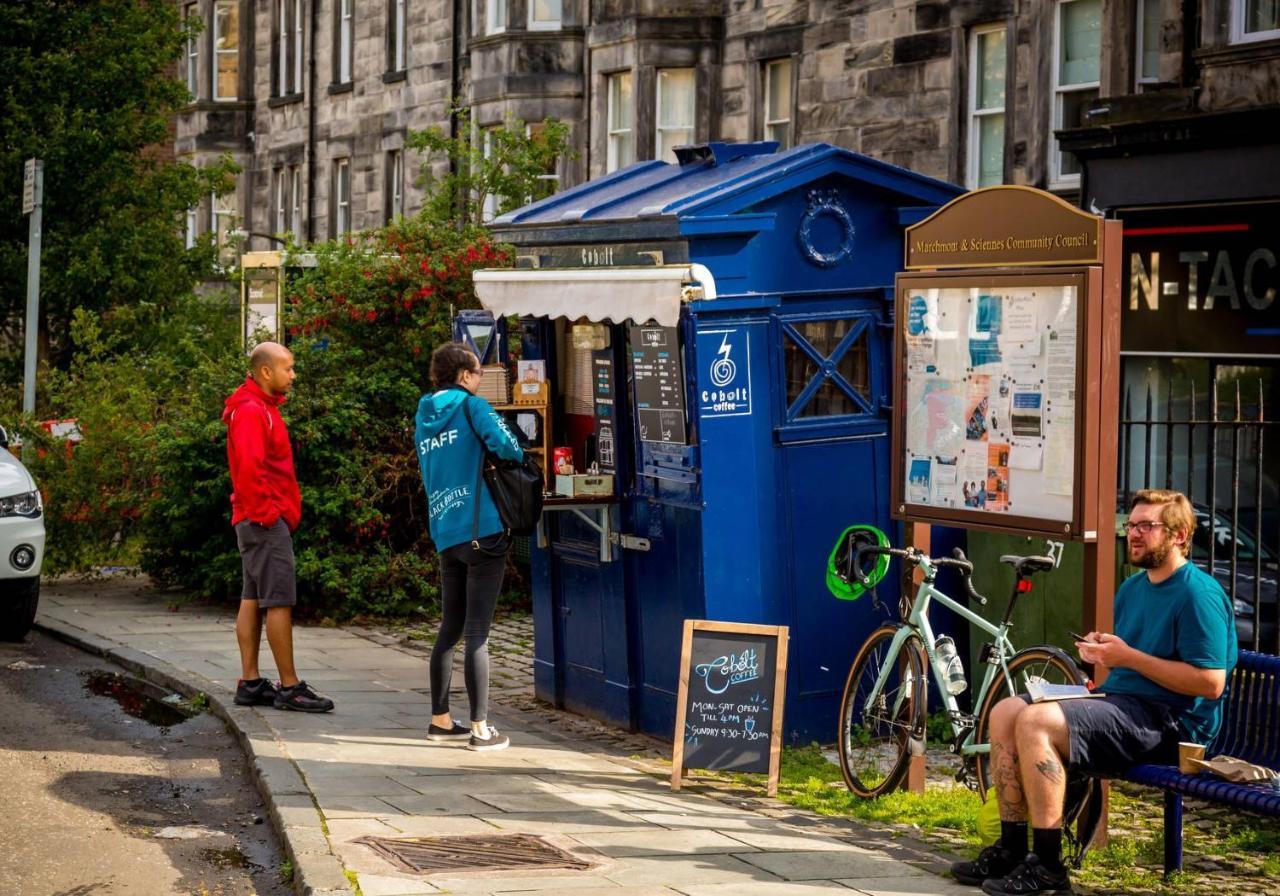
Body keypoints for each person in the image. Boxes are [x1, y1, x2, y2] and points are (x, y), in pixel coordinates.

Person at [953, 488, 1236, 895]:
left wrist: (1128, 658)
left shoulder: (1198, 594)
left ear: (1179, 535)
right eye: (1132, 525)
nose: (1134, 534)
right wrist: (1106, 655)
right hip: (1125, 706)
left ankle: (1049, 867)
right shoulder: (1134, 588)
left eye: (1146, 526)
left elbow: (1210, 684)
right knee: (1005, 712)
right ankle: (1012, 850)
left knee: (1036, 722)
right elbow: (1133, 662)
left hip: (1172, 724)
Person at [415, 343, 524, 751]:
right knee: (478, 633)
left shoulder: (424, 412)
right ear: (463, 374)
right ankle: (481, 729)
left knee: (450, 628)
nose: (479, 380)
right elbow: (508, 447)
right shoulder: (471, 406)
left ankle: (440, 720)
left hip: (446, 531)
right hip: (483, 528)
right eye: (478, 373)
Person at [224, 341, 335, 713]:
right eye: (288, 368)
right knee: (279, 600)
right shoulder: (253, 410)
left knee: (252, 597)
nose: (294, 375)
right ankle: (290, 687)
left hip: (255, 518)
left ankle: (251, 682)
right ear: (265, 372)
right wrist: (270, 515)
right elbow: (250, 469)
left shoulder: (258, 407)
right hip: (262, 520)